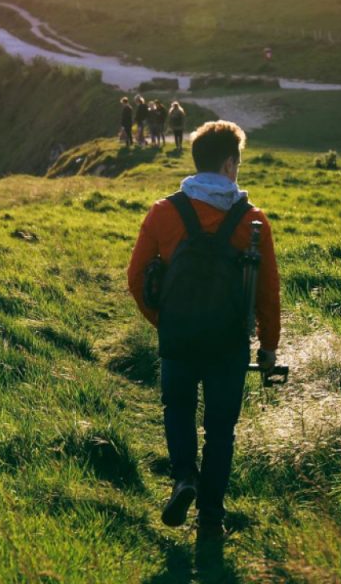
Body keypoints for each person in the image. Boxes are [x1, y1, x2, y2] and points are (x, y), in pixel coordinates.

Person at [126, 121, 281, 540]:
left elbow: (136, 276)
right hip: (229, 343)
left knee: (177, 410)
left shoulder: (163, 212)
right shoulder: (253, 222)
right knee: (220, 429)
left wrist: (164, 322)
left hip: (178, 338)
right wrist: (267, 348)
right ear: (230, 164)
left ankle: (183, 479)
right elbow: (268, 293)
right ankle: (211, 516)